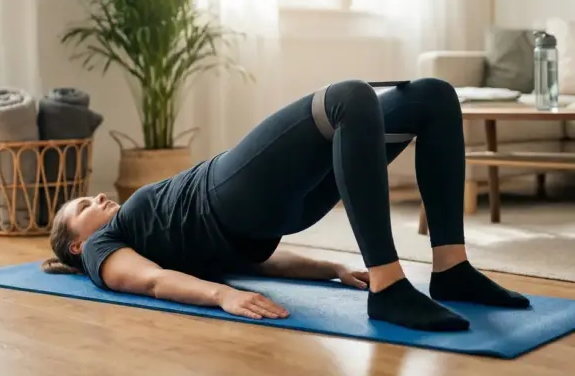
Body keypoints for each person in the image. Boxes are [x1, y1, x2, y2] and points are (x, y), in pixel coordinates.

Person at [42, 78, 530, 332]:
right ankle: (389, 287)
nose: (98, 197)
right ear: (78, 244)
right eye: (83, 205)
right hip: (222, 195)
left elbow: (253, 259)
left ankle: (451, 269)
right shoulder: (102, 249)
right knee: (346, 98)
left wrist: (329, 269)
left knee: (433, 96)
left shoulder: (157, 237)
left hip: (273, 216)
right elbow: (151, 281)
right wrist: (222, 297)